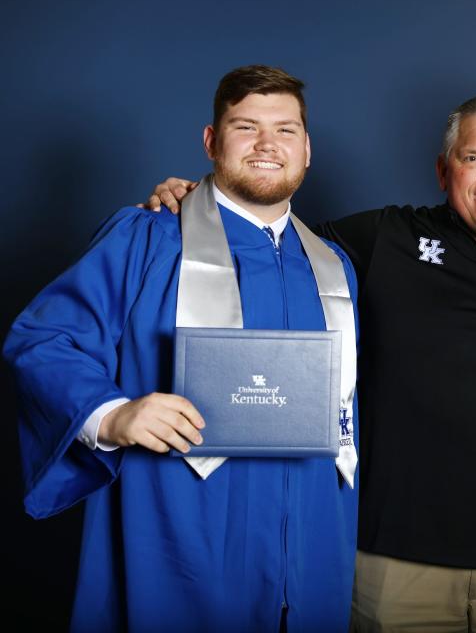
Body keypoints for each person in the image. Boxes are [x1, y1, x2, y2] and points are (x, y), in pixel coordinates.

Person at [146, 95, 476, 631]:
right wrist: (204, 200)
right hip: (395, 568)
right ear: (442, 170)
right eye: (472, 158)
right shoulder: (386, 238)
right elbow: (265, 243)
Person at [4, 65, 360, 631]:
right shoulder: (145, 237)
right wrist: (113, 415)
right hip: (176, 537)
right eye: (247, 126)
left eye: (286, 130)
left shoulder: (332, 267)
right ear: (211, 141)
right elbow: (45, 338)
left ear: (307, 148)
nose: (269, 144)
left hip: (312, 551)